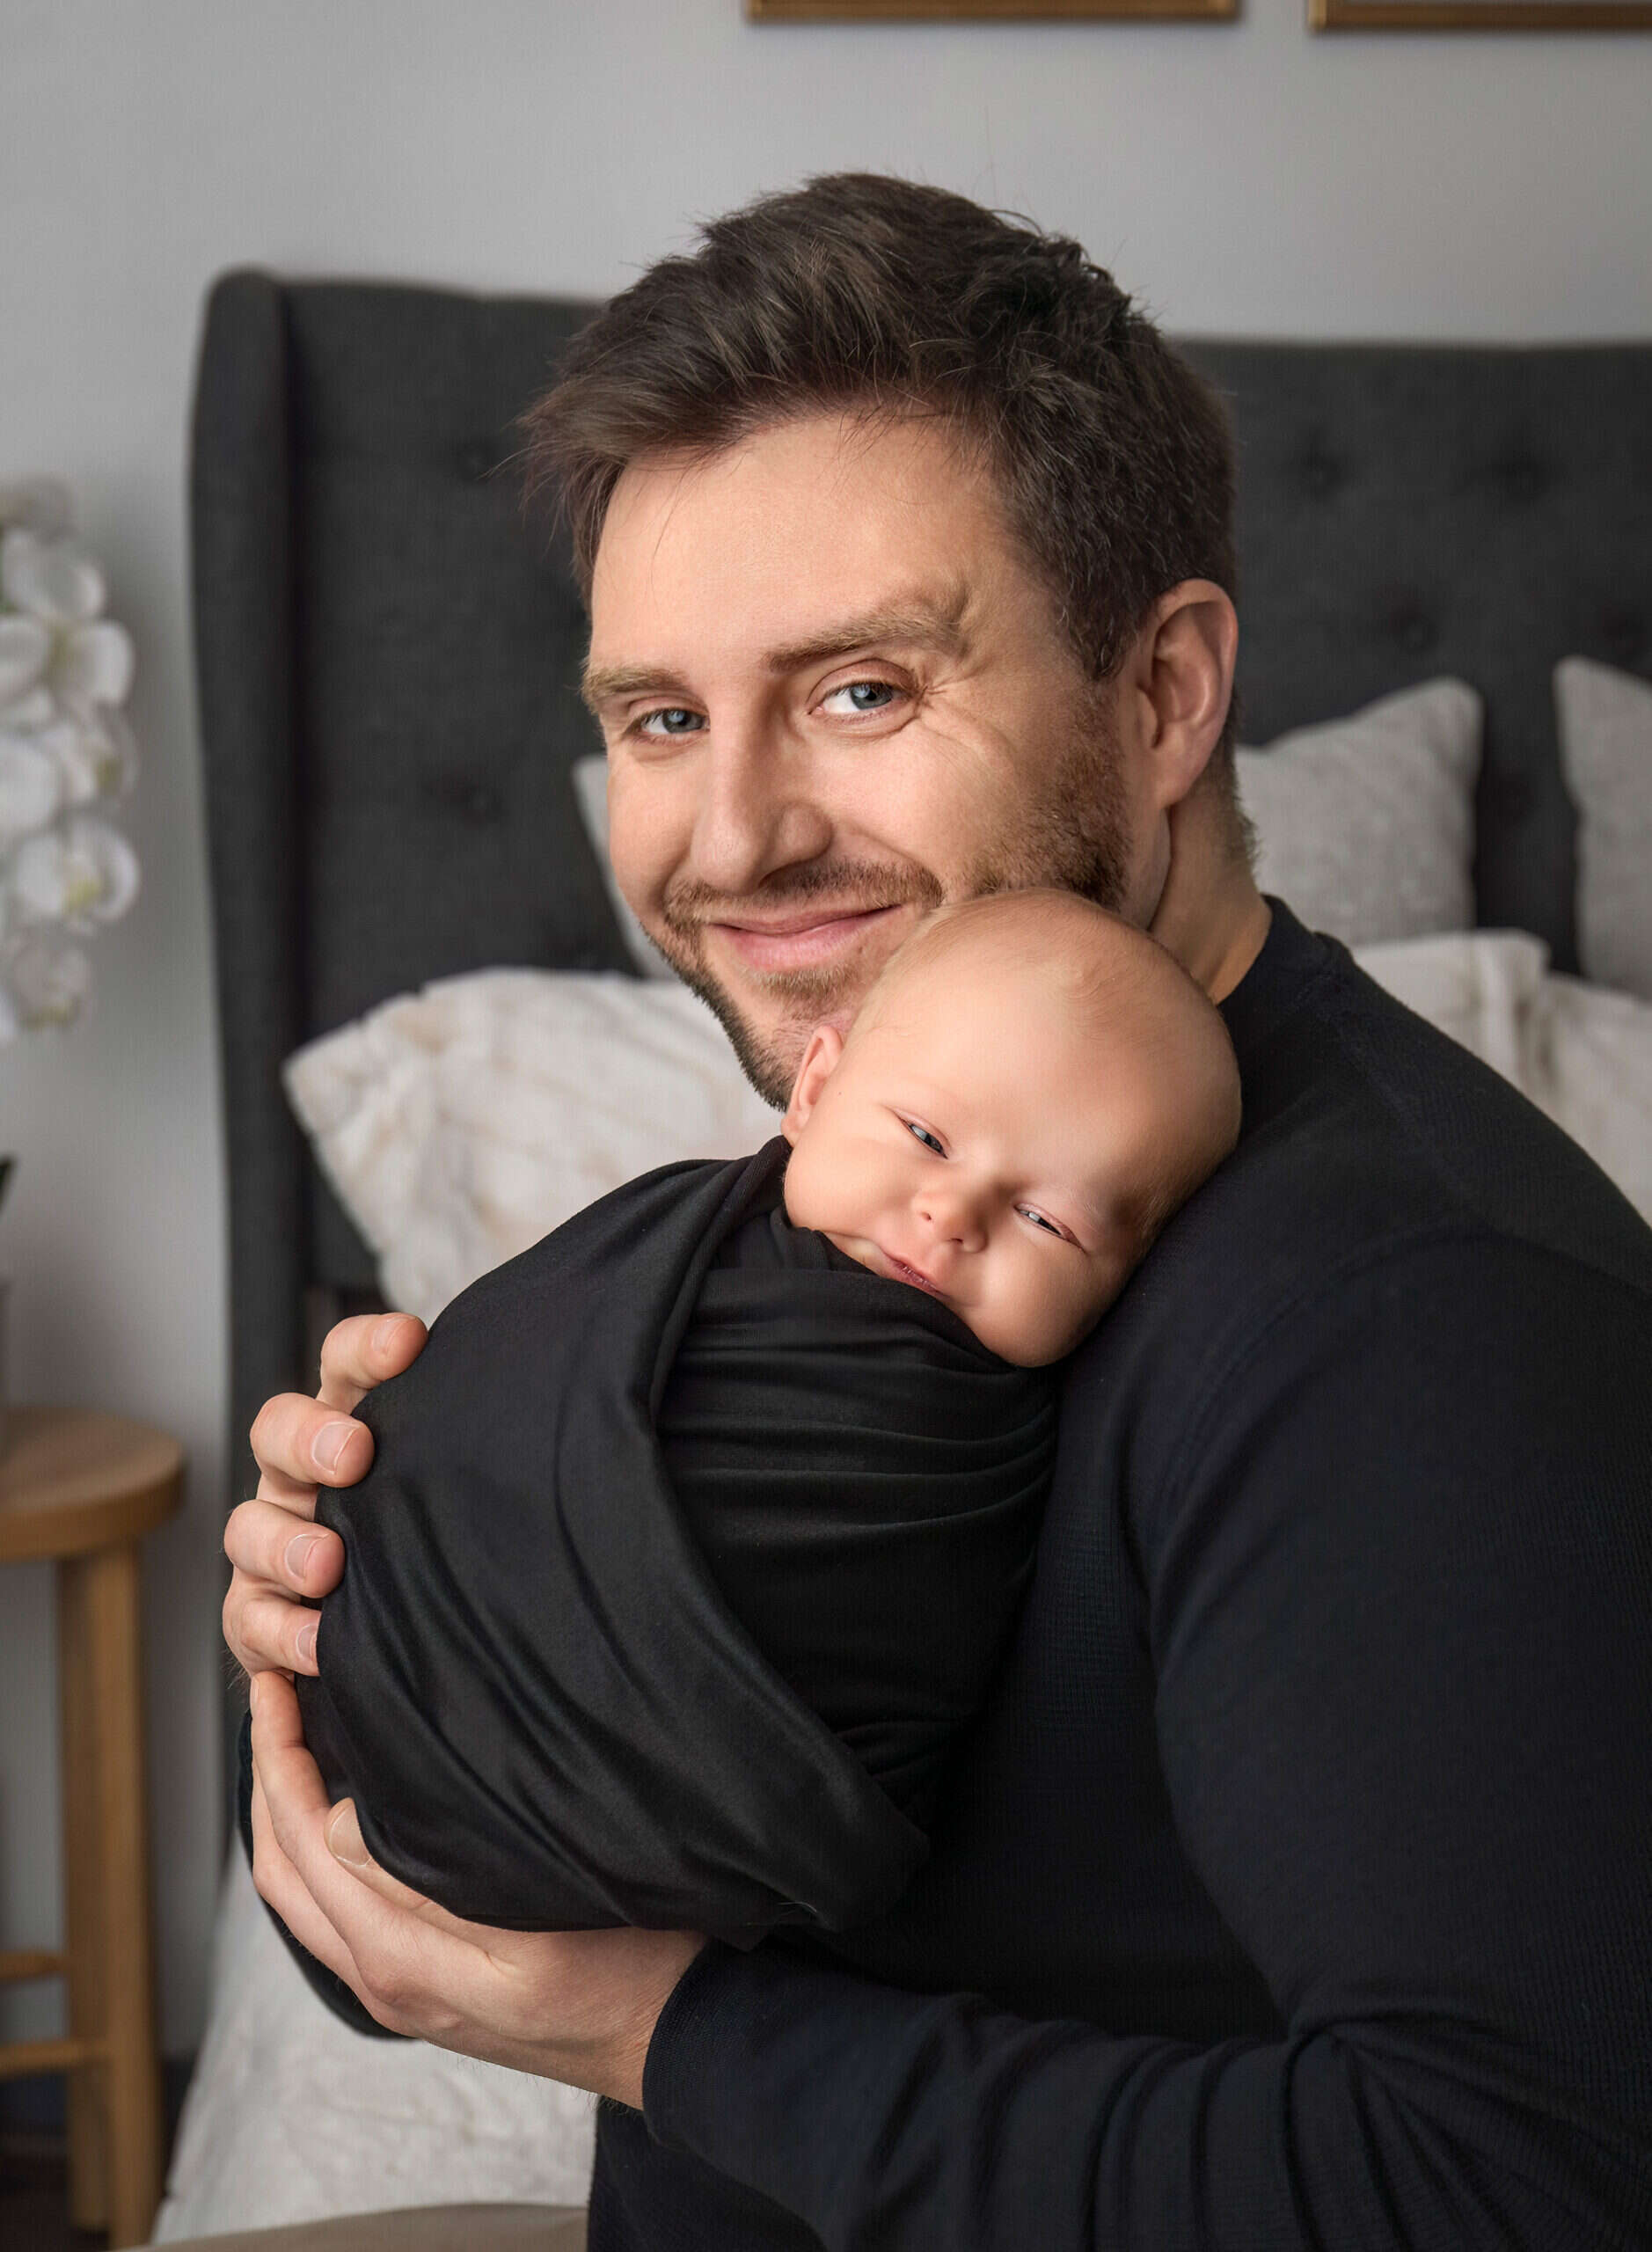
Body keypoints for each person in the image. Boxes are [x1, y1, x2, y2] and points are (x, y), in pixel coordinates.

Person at [226, 176, 1652, 2249]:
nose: (732, 835)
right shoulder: (831, 1206)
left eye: (864, 688)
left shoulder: (1418, 1321)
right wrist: (404, 1622)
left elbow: (1507, 2185)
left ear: (1161, 694)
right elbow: (459, 1924)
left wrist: (666, 2032)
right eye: (657, 718)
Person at [247, 891, 1240, 1978]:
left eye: (1048, 1220)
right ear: (815, 1089)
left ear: (1118, 1293)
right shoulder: (670, 1242)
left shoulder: (1006, 1449)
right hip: (392, 1696)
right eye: (924, 1136)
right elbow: (490, 1398)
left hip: (706, 1870)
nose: (952, 1214)